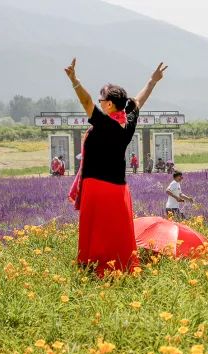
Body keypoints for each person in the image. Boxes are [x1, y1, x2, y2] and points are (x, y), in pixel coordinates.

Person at [65, 57, 167, 277]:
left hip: (96, 187)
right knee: (117, 232)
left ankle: (94, 268)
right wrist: (152, 81)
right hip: (119, 189)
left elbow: (86, 102)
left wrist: (75, 81)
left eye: (102, 100)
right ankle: (120, 267)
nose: (99, 103)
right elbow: (139, 101)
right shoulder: (127, 123)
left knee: (96, 231)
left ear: (109, 104)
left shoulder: (104, 124)